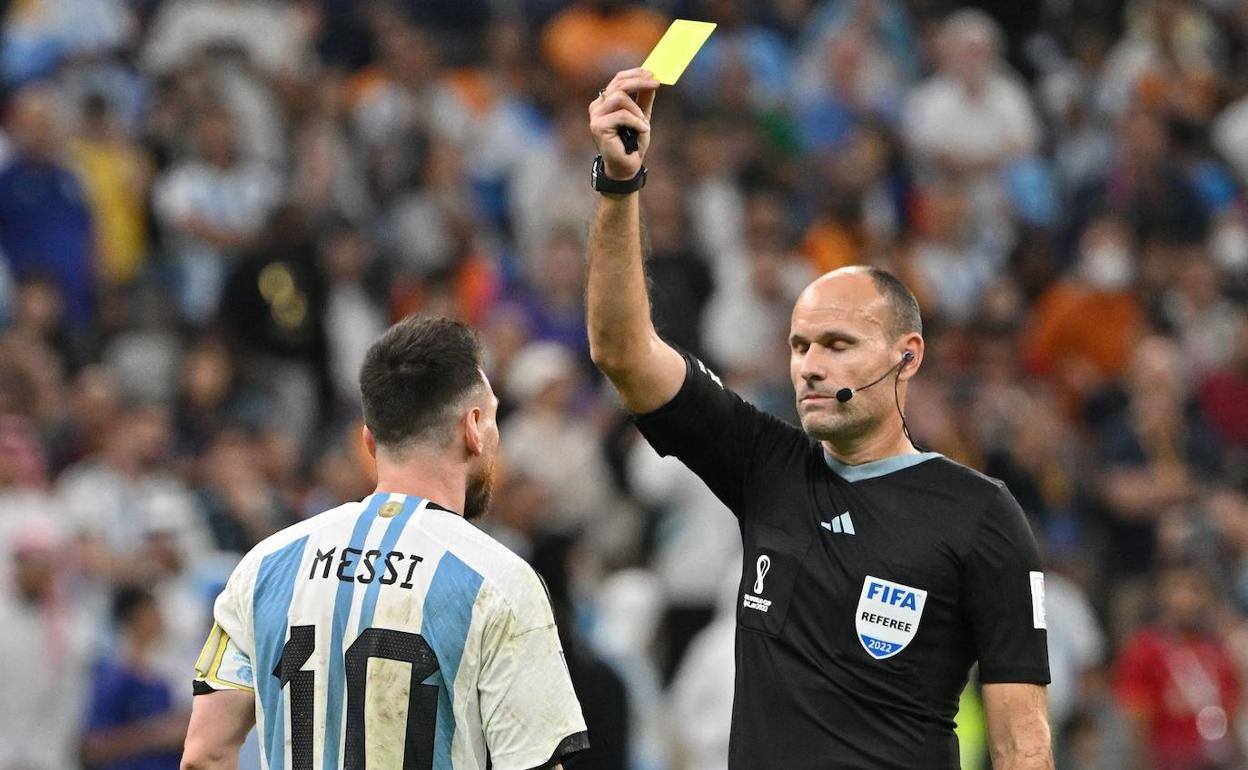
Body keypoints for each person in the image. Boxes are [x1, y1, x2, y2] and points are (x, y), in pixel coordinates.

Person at [585, 68, 1053, 769]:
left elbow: (1022, 739)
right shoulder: (764, 464)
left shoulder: (979, 516)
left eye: (838, 345)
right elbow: (622, 351)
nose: (808, 365)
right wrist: (620, 186)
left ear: (907, 357)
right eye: (800, 345)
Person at [182, 316, 588, 770]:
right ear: (474, 427)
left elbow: (205, 755)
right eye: (493, 418)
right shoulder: (499, 582)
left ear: (370, 440)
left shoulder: (264, 568)